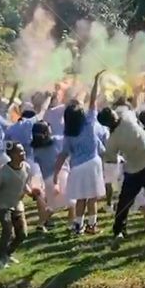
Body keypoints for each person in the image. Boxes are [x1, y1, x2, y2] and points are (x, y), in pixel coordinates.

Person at [98, 72, 145, 247]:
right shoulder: (127, 118)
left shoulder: (112, 139)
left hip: (135, 167)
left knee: (126, 200)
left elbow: (111, 158)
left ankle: (120, 230)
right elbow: (132, 105)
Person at [54, 72, 105, 235]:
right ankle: (92, 225)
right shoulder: (89, 123)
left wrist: (55, 174)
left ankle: (78, 226)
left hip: (77, 167)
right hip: (92, 163)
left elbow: (63, 155)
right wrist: (96, 80)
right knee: (92, 197)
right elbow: (93, 101)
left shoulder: (68, 133)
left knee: (81, 197)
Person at [0, 142, 31, 269]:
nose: (23, 153)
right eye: (20, 151)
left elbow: (24, 184)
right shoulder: (3, 171)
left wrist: (32, 192)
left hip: (17, 205)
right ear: (11, 155)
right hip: (3, 205)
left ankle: (7, 254)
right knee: (7, 230)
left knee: (22, 234)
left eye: (23, 150)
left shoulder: (26, 167)